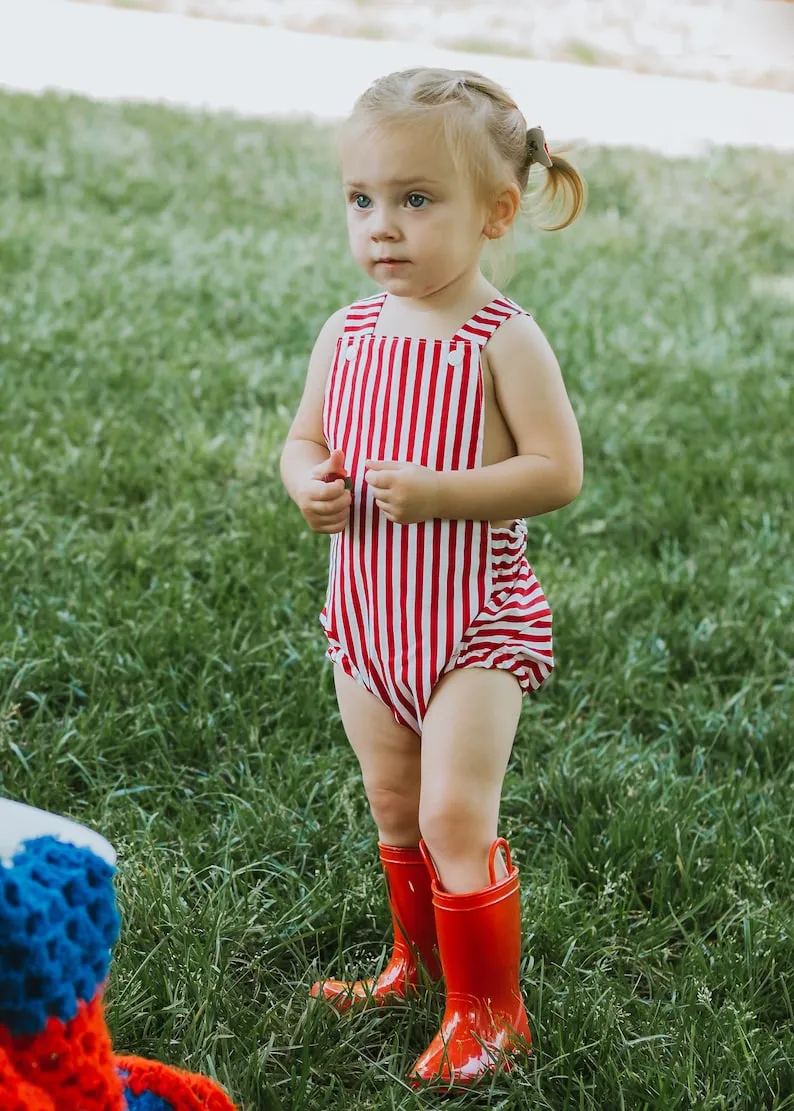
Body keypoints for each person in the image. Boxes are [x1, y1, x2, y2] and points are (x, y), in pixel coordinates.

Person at [279, 66, 585, 1089]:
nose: (383, 227)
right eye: (362, 201)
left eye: (416, 199)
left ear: (496, 213)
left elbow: (555, 470)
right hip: (368, 618)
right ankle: (413, 965)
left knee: (458, 813)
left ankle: (489, 1012)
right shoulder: (346, 331)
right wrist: (307, 483)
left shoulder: (502, 339)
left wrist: (449, 490)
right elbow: (302, 440)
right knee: (393, 803)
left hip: (470, 626)